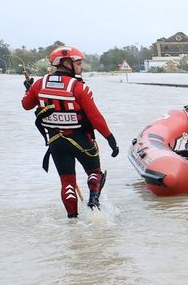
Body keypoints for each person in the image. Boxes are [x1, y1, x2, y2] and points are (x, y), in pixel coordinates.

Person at [20, 46, 118, 218]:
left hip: (56, 142)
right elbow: (96, 118)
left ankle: (72, 221)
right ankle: (94, 201)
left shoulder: (39, 85)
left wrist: (28, 89)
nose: (81, 67)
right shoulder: (79, 88)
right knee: (95, 173)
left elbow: (26, 105)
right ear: (67, 63)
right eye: (78, 63)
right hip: (82, 140)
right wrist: (111, 139)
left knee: (67, 183)